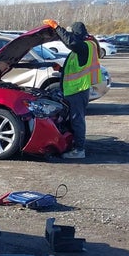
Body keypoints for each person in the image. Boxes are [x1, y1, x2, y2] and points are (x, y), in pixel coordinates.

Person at [43, 19, 101, 159]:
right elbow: (77, 67)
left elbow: (71, 43)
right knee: (73, 120)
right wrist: (61, 69)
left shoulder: (85, 46)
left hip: (78, 89)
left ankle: (79, 150)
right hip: (75, 90)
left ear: (77, 34)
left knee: (77, 120)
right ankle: (71, 144)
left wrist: (57, 27)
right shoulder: (86, 46)